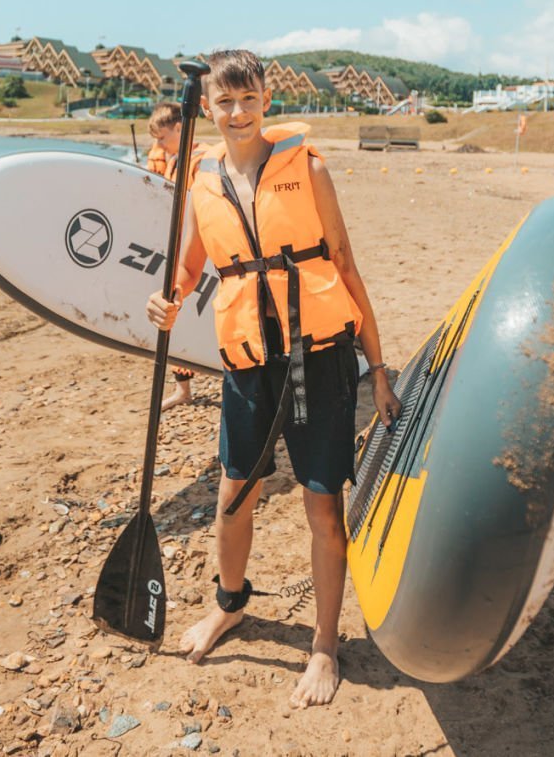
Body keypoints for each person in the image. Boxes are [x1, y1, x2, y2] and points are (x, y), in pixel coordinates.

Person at [146, 49, 400, 708]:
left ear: (265, 101)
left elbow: (344, 263)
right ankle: (229, 605)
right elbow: (189, 267)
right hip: (249, 362)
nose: (237, 112)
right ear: (208, 107)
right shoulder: (201, 180)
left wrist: (377, 369)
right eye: (224, 101)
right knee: (234, 496)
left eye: (248, 99)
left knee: (322, 504)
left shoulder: (308, 168)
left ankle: (324, 645)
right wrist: (169, 300)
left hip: (320, 357)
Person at [142, 101, 200, 411]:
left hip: (195, 255)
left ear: (180, 128)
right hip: (174, 250)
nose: (159, 145)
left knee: (191, 319)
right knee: (174, 318)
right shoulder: (174, 159)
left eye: (162, 138)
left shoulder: (200, 161)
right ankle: (183, 389)